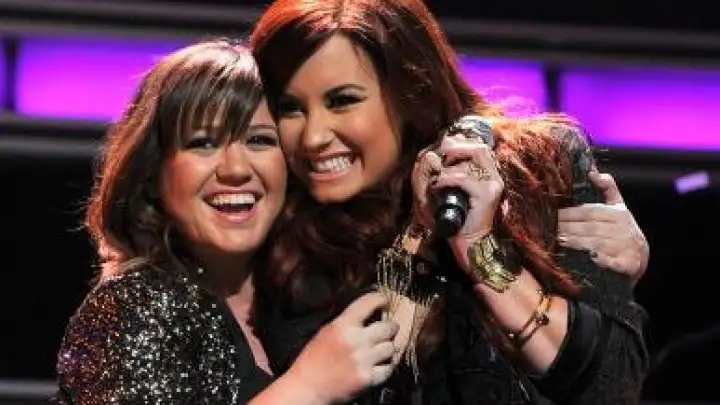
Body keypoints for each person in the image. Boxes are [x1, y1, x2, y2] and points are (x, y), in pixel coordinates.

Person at [250, 1, 648, 404]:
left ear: (409, 92)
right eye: (290, 108)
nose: (313, 137)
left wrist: (479, 248)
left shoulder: (540, 171)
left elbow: (612, 386)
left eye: (342, 100)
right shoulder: (279, 231)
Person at [50, 39, 399, 404]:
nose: (236, 169)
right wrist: (308, 387)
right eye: (203, 143)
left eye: (259, 140)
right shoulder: (131, 309)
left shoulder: (310, 297)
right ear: (152, 175)